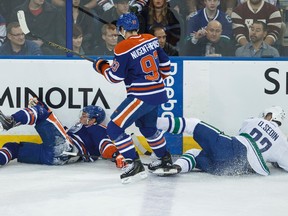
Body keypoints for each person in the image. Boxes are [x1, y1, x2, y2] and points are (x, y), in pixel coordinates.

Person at [92, 13, 178, 183]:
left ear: (122, 29)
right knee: (148, 129)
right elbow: (166, 65)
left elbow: (114, 77)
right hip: (158, 93)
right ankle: (164, 159)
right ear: (137, 28)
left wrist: (101, 66)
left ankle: (134, 164)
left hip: (141, 96)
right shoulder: (151, 39)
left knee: (114, 128)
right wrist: (155, 78)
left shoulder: (122, 47)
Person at [157, 106, 287, 176]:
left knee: (193, 124)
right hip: (234, 169)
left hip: (232, 149)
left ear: (269, 115)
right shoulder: (282, 141)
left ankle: (154, 123)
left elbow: (241, 136)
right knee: (196, 154)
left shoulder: (253, 120)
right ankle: (177, 167)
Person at [0, 98, 125, 168]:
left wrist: (116, 155)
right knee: (13, 147)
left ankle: (11, 121)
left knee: (42, 113)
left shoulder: (97, 128)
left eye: (84, 115)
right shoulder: (79, 127)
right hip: (53, 157)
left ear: (93, 120)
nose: (81, 117)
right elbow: (58, 129)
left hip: (66, 149)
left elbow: (104, 144)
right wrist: (41, 104)